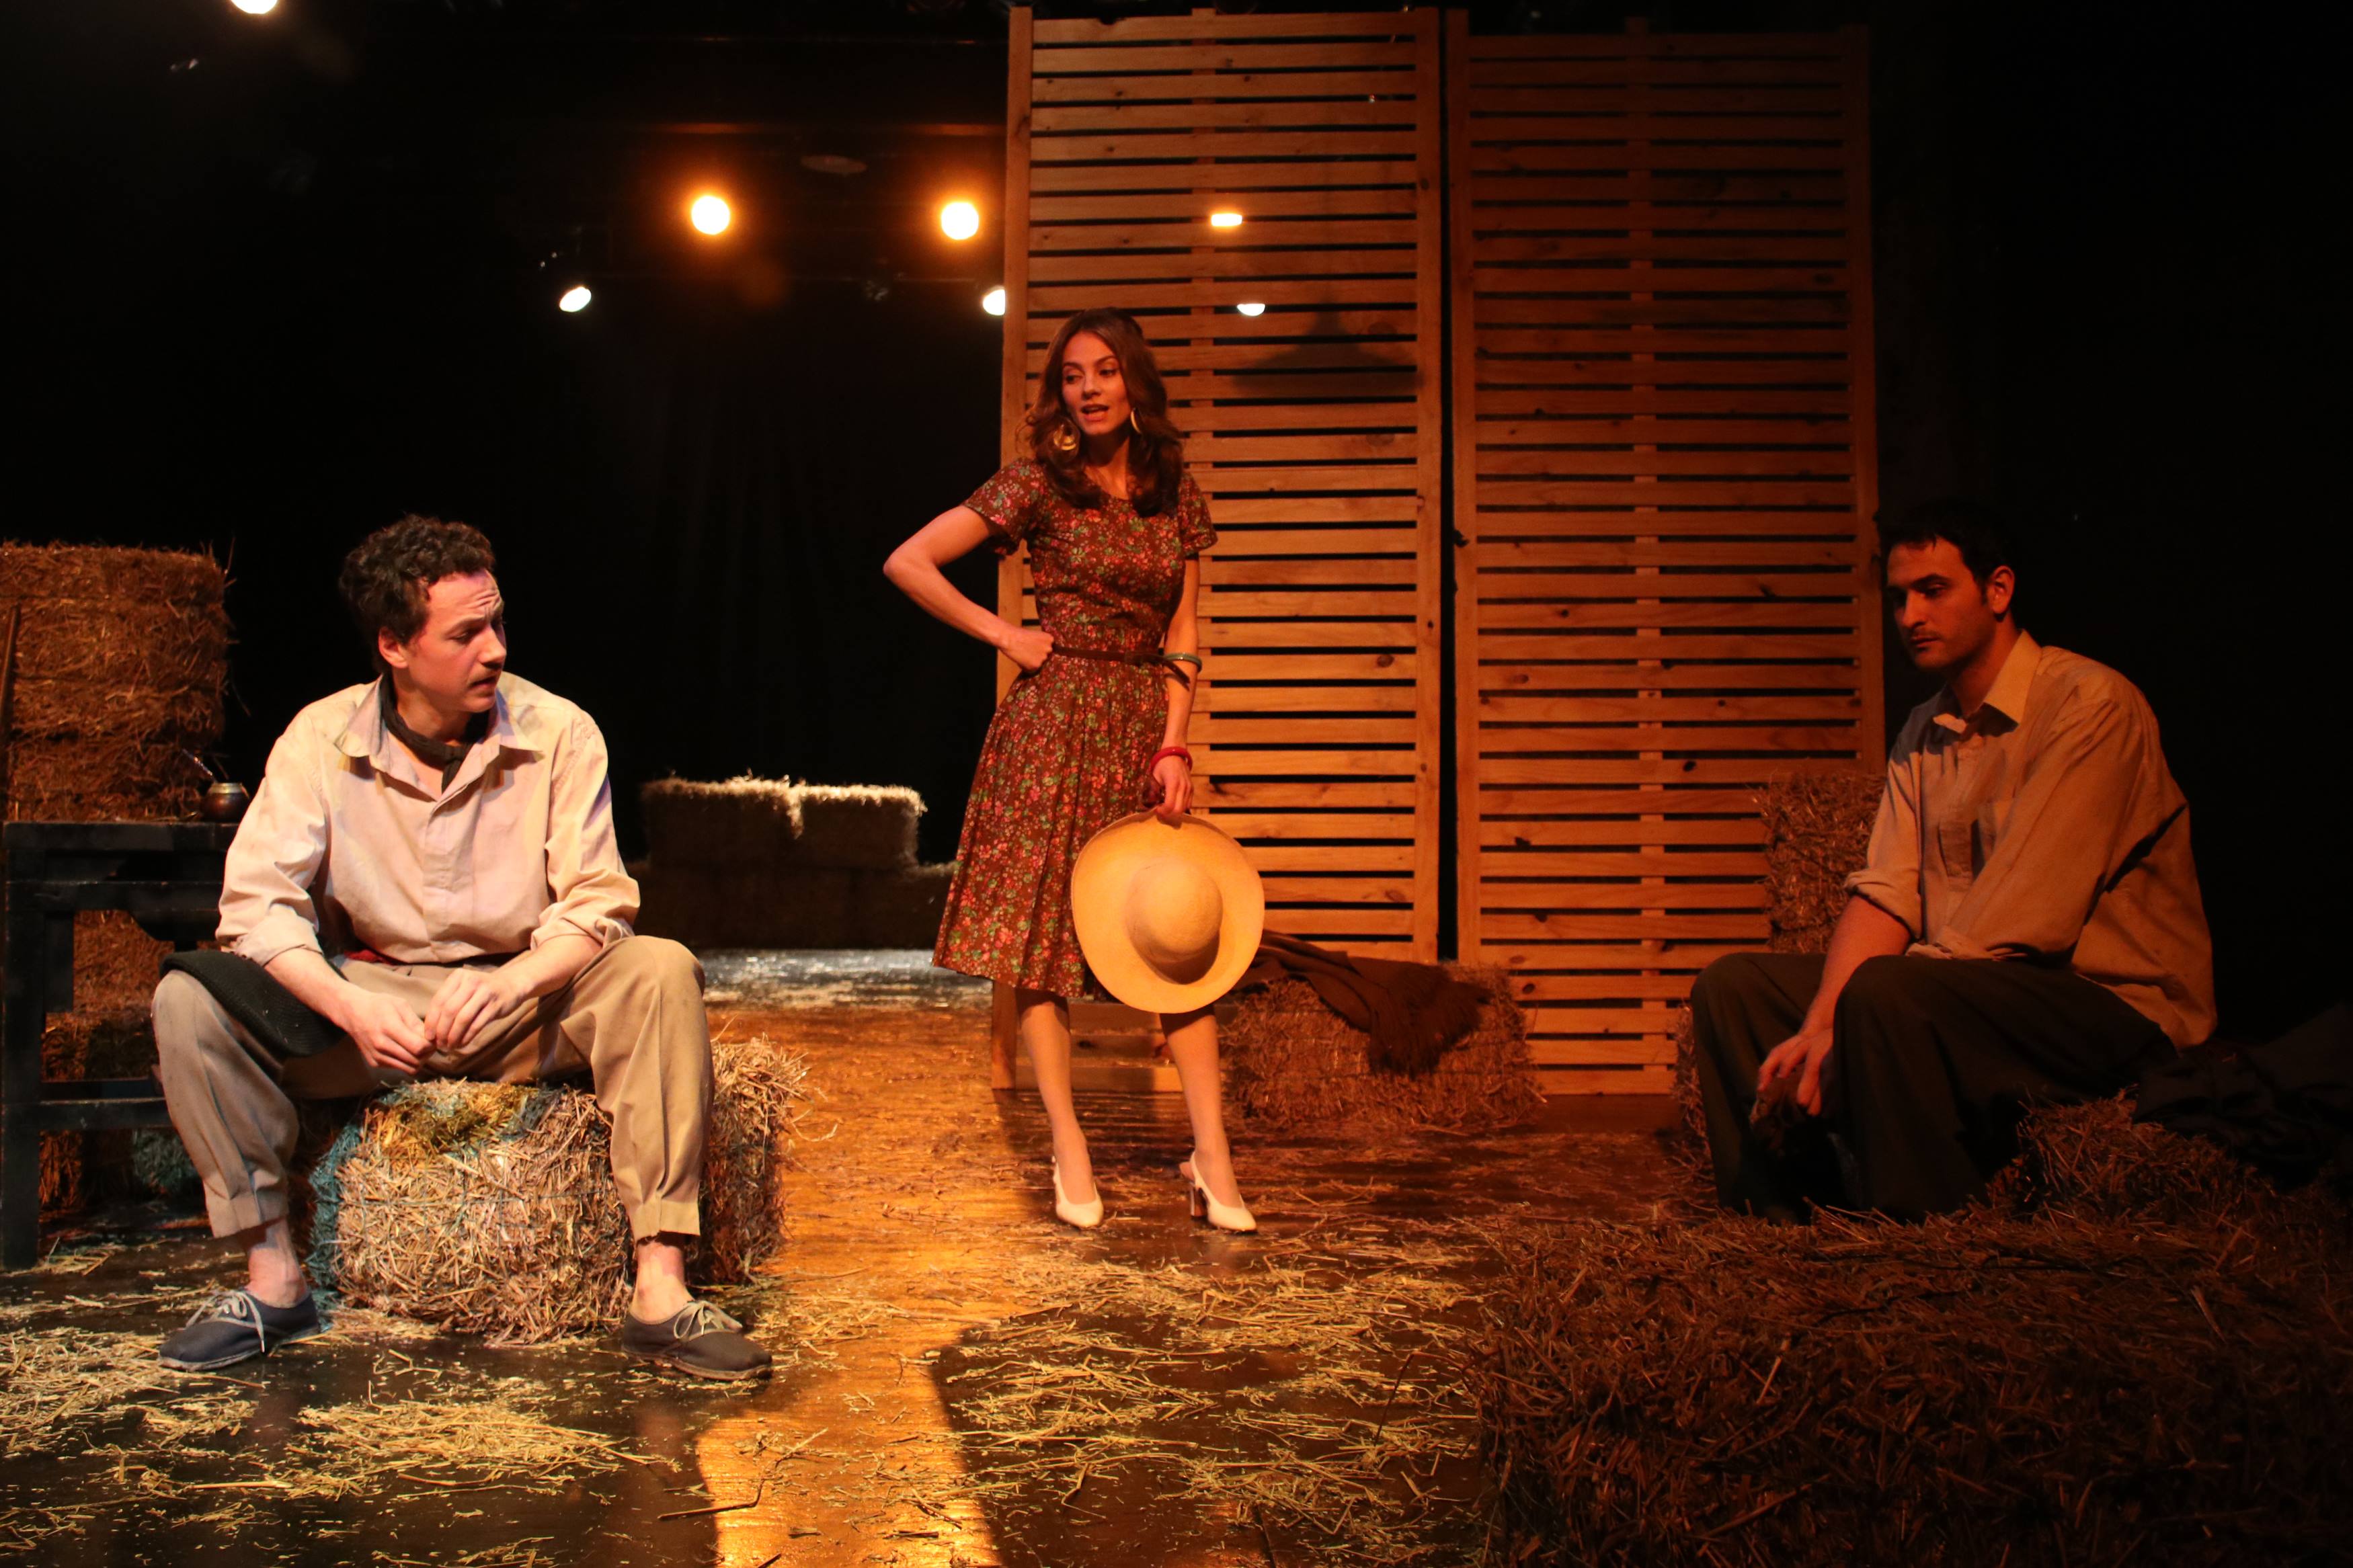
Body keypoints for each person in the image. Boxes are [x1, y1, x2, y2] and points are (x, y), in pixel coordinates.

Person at [149, 516, 770, 1378]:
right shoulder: (320, 738)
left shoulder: (560, 731)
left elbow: (596, 903)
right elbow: (258, 908)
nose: (495, 649)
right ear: (394, 646)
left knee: (658, 967)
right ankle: (273, 1277)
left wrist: (513, 984)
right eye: (466, 633)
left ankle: (660, 1287)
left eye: (499, 622)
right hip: (371, 1014)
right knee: (189, 997)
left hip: (522, 1008)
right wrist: (348, 1006)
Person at [1689, 499, 2215, 1218]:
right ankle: (1786, 1234)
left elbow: (2020, 922)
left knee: (1885, 993)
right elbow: (1886, 890)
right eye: (1898, 597)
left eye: (1932, 590)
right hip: (1966, 992)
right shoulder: (1923, 728)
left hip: (2108, 1010)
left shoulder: (2090, 704)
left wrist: (1857, 1020)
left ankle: (1920, 1243)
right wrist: (1819, 1024)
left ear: (1997, 590)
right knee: (1734, 986)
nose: (1909, 616)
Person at [884, 307, 1255, 1233]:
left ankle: (1212, 1158)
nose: (1087, 389)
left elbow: (1183, 630)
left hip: (1139, 724)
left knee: (1178, 941)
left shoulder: (1174, 491)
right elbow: (909, 562)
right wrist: (1006, 635)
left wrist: (1175, 741)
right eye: (1072, 375)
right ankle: (1067, 1143)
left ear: (1135, 383)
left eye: (1104, 371)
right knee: (1040, 948)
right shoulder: (1036, 484)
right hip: (1049, 728)